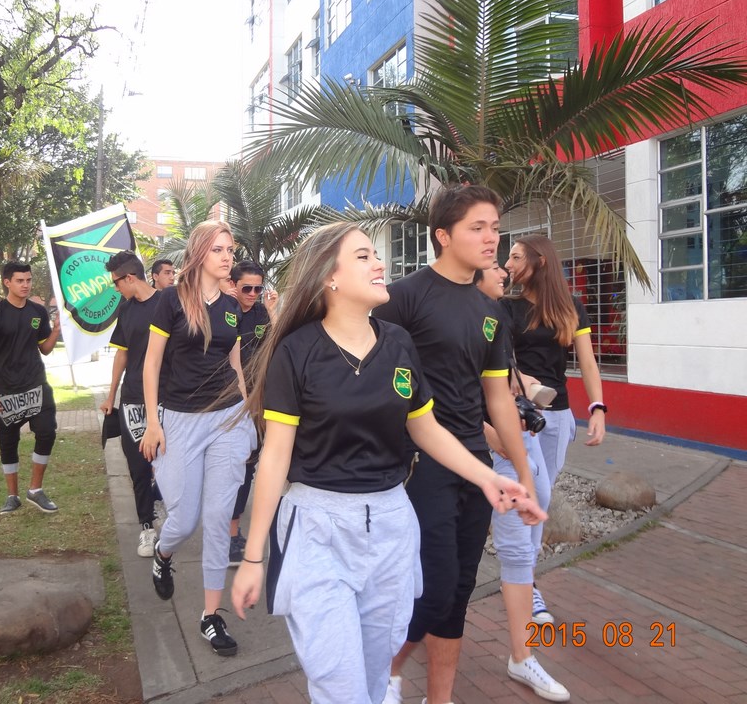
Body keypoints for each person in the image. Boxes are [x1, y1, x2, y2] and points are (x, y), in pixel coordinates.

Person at [230, 223, 544, 704]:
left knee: (376, 680)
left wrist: (487, 477)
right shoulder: (296, 352)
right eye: (363, 256)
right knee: (341, 687)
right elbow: (275, 456)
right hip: (317, 528)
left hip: (392, 527)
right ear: (329, 277)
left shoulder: (398, 343)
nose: (379, 264)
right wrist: (254, 557)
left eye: (375, 255)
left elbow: (426, 428)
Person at [372, 184, 537, 704]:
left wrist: (523, 474)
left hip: (475, 463)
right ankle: (382, 672)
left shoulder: (491, 311)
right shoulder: (403, 298)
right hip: (421, 463)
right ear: (443, 235)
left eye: (495, 228)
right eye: (477, 228)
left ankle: (438, 698)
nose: (491, 239)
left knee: (459, 590)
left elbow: (497, 397)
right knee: (435, 588)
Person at [140, 221, 256, 656]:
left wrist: (247, 412)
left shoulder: (231, 306)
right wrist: (153, 423)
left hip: (227, 418)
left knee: (218, 518)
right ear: (199, 253)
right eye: (218, 249)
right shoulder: (171, 300)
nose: (227, 257)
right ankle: (163, 553)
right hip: (181, 421)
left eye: (231, 249)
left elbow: (235, 363)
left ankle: (210, 615)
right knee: (184, 520)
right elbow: (151, 364)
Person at [476, 264, 570, 701]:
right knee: (502, 545)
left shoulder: (499, 317)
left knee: (538, 506)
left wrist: (527, 385)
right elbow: (450, 394)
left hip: (518, 439)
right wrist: (487, 432)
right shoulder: (459, 318)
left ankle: (527, 603)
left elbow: (502, 378)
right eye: (494, 265)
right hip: (489, 448)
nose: (502, 271)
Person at [503, 233, 606, 625]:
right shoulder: (506, 307)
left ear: (540, 261)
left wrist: (597, 408)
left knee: (539, 500)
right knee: (536, 492)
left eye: (516, 257)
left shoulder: (571, 307)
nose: (508, 264)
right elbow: (499, 361)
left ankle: (524, 577)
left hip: (558, 416)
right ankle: (526, 584)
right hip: (521, 414)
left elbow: (588, 362)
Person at [0, 261, 61, 515]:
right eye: (20, 281)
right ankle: (12, 496)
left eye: (28, 280)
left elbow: (45, 348)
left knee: (47, 432)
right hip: (5, 390)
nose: (25, 285)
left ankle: (35, 489)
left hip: (36, 385)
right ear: (7, 282)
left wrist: (56, 331)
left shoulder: (38, 312)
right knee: (8, 443)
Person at [101, 250, 164, 557]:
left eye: (116, 282)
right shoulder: (125, 309)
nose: (115, 289)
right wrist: (111, 394)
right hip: (133, 399)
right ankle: (147, 527)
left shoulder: (168, 304)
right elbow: (122, 353)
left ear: (129, 278)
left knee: (167, 463)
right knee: (138, 465)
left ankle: (159, 499)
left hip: (166, 399)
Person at [227, 260, 279, 565]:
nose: (252, 294)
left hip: (258, 400)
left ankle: (233, 533)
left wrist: (272, 311)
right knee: (231, 467)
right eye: (246, 288)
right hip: (227, 401)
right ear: (232, 285)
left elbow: (278, 345)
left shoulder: (261, 312)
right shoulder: (223, 311)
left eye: (258, 289)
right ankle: (228, 532)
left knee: (249, 464)